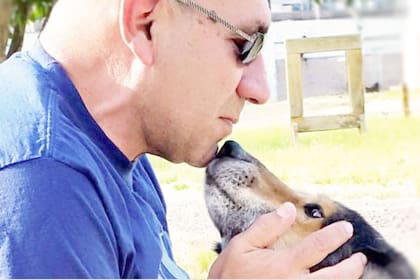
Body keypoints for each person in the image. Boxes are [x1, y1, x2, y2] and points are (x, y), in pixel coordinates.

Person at [0, 0, 367, 278]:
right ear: (146, 25)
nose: (260, 90)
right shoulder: (44, 180)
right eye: (245, 45)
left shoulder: (114, 146)